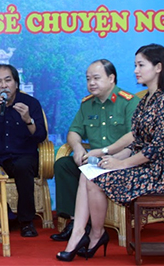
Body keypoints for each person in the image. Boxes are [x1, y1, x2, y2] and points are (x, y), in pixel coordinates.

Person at [57, 44, 164, 262]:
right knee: (88, 172)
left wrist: (122, 164)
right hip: (140, 164)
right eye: (135, 65)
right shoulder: (146, 100)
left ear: (158, 67)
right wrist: (113, 158)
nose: (135, 70)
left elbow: (157, 147)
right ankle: (80, 234)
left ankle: (95, 235)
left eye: (140, 65)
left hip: (158, 172)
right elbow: (136, 140)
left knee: (94, 179)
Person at [51, 60, 139, 241]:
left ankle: (94, 228)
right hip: (94, 161)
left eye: (96, 78)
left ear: (111, 78)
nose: (91, 83)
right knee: (64, 165)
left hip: (121, 161)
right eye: (88, 79)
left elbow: (134, 136)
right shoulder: (87, 104)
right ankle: (76, 222)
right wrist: (77, 148)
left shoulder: (129, 102)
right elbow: (74, 132)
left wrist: (106, 152)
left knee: (90, 172)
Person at [0, 64, 47, 237]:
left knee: (23, 167)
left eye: (8, 80)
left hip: (24, 156)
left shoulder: (30, 103)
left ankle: (26, 221)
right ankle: (7, 217)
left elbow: (40, 136)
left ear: (16, 84)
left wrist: (28, 119)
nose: (3, 85)